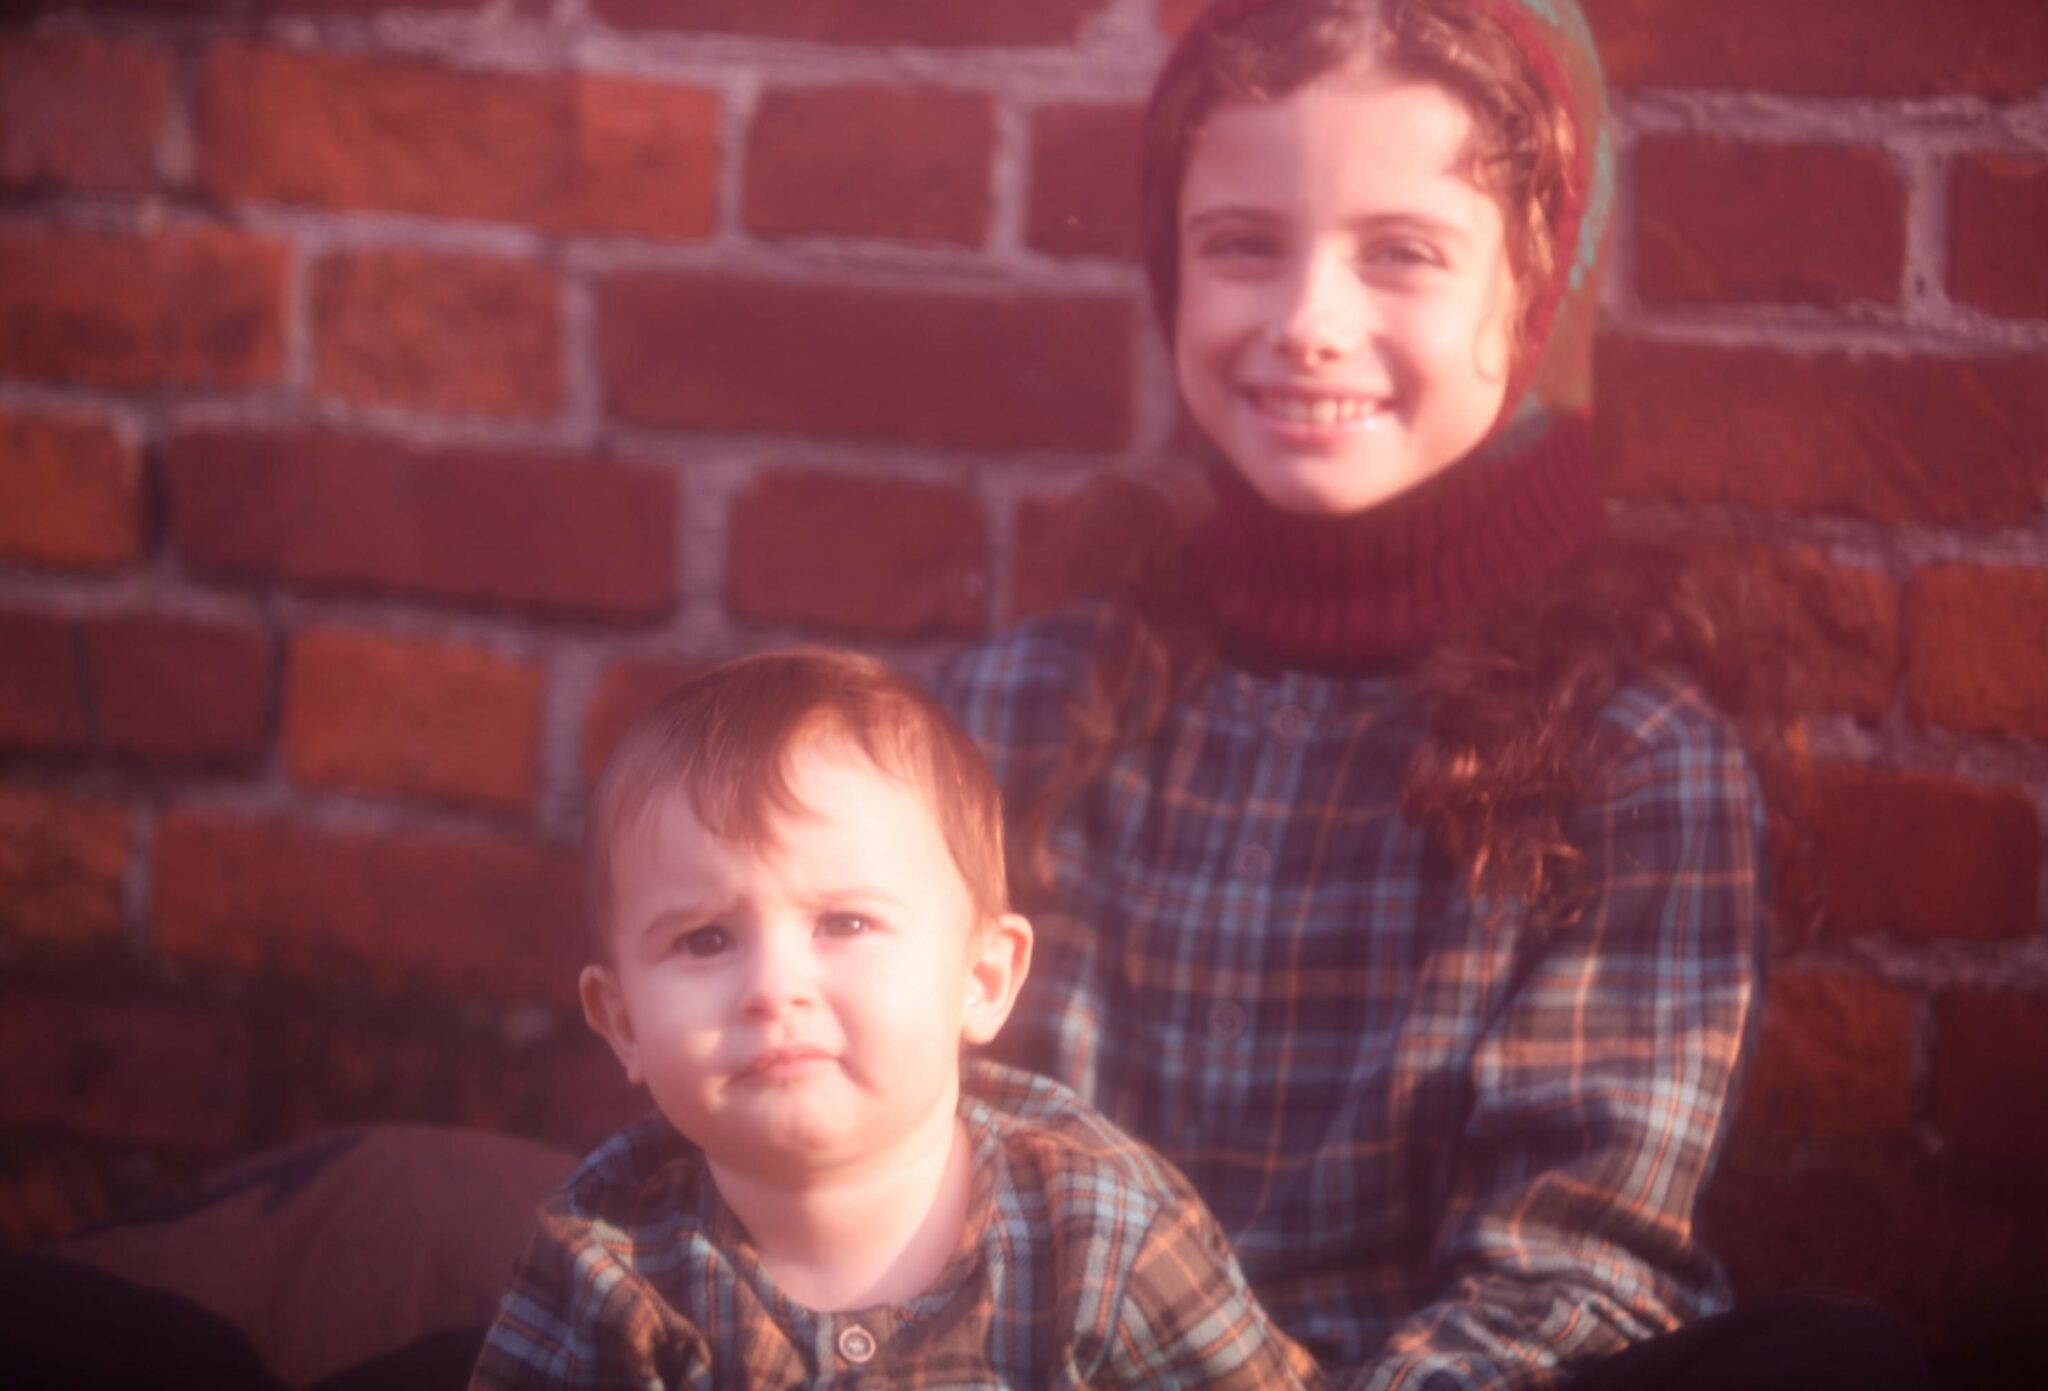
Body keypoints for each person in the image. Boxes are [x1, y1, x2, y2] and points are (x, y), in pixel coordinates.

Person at [933, 0, 1931, 1387]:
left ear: (1539, 292)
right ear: (1168, 272)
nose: (1306, 323)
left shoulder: (1634, 762)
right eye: (1242, 246)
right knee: (526, 1219)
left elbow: (1569, 1273)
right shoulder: (1011, 712)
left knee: (1833, 1364)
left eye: (1400, 253)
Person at [471, 649, 1322, 1389]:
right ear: (621, 1022)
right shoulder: (606, 1266)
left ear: (981, 978)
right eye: (705, 939)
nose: (772, 986)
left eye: (844, 923)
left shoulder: (1101, 1235)